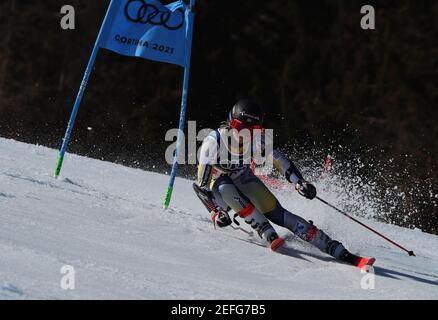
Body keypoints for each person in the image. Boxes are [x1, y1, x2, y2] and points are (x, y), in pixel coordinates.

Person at [194, 98, 371, 267]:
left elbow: (280, 161)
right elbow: (201, 185)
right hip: (218, 186)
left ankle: (331, 245)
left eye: (251, 130)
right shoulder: (214, 140)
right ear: (231, 122)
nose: (244, 134)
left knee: (275, 210)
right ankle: (265, 230)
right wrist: (215, 211)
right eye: (240, 127)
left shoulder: (258, 140)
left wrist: (299, 182)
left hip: (242, 177)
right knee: (226, 188)